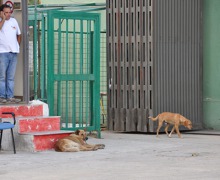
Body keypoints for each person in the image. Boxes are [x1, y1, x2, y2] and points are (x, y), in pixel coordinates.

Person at [0, 4, 21, 103]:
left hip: (13, 53)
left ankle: (10, 96)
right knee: (2, 76)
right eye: (6, 12)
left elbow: (19, 34)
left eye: (9, 12)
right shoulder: (1, 21)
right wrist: (3, 19)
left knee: (11, 77)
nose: (8, 14)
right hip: (2, 53)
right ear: (2, 12)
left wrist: (17, 46)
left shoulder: (14, 21)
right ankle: (2, 96)